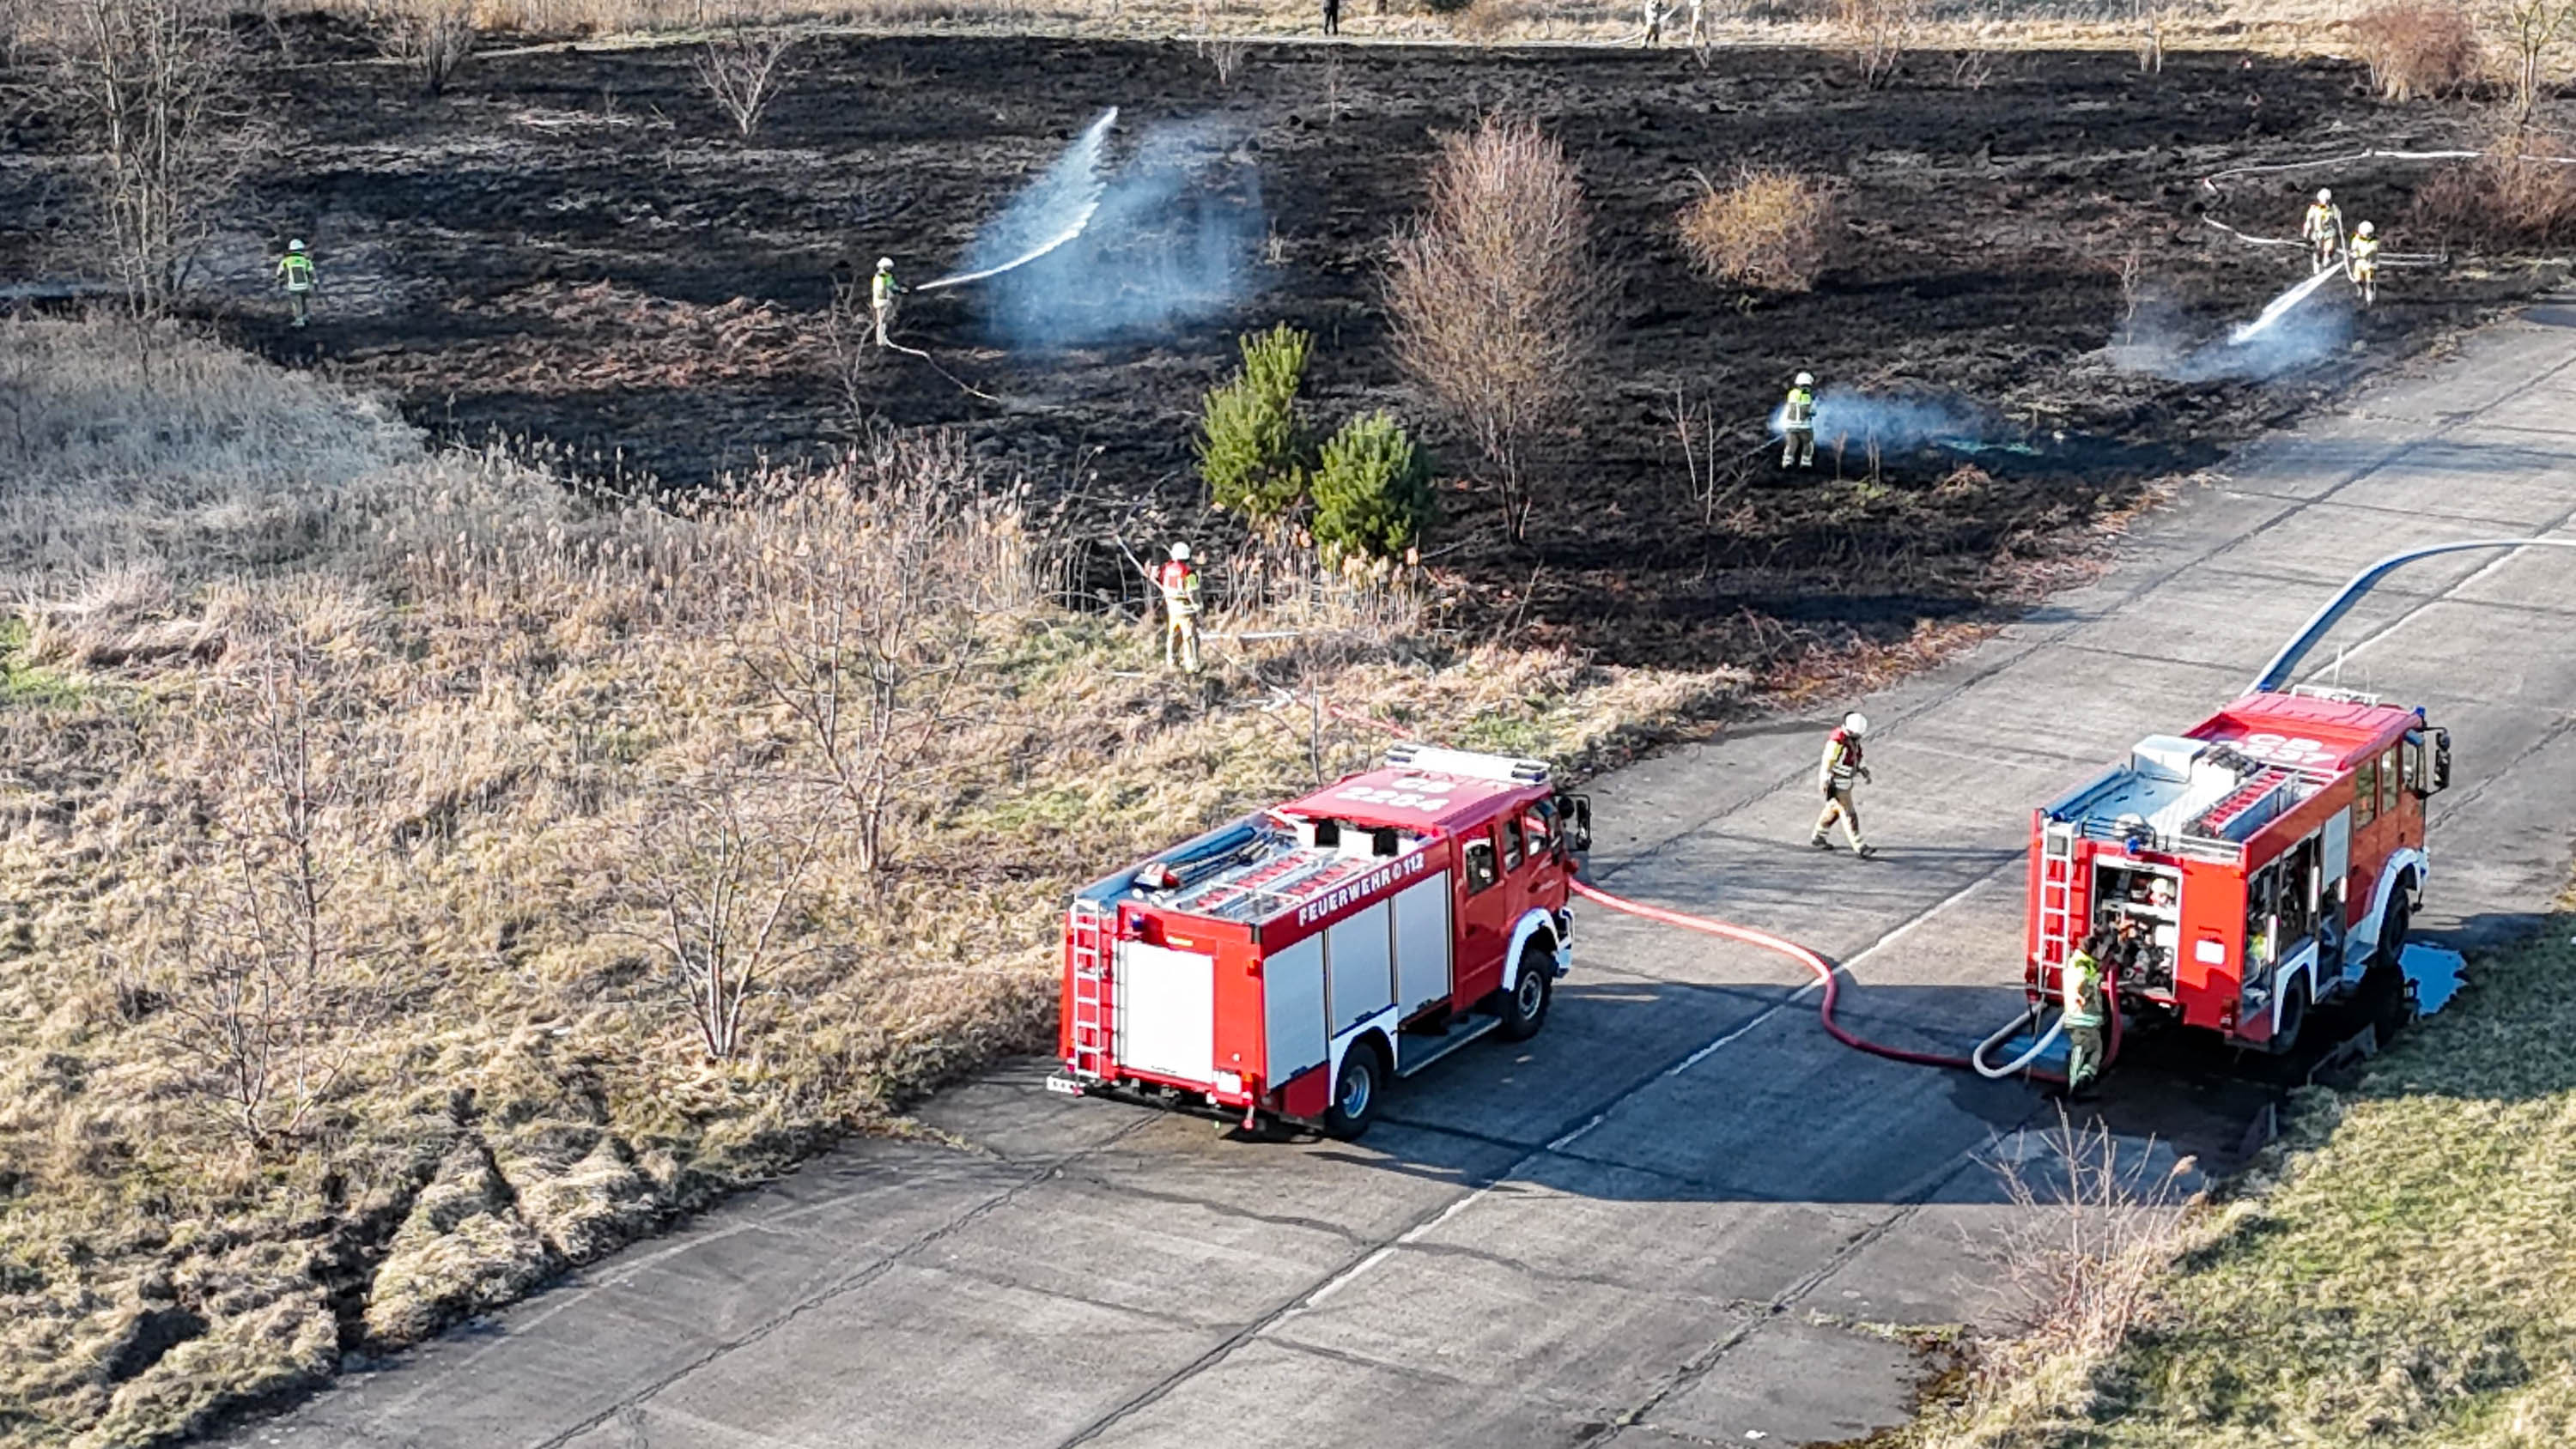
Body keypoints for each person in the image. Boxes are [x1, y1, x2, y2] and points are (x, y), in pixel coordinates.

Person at [1809, 711, 1874, 858]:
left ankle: (1819, 836)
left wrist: (1863, 769)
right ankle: (1859, 846)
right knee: (1849, 814)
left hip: (1846, 781)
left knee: (1833, 810)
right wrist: (1825, 780)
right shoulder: (1837, 743)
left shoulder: (1851, 741)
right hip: (1837, 783)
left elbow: (1857, 756)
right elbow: (1828, 762)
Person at [2061, 931, 2110, 1098]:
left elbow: (2094, 973)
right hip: (2081, 1020)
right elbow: (2084, 983)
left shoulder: (2084, 964)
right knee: (2080, 1051)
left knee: (2096, 1051)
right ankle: (2073, 1088)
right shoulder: (2079, 968)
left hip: (2091, 1021)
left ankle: (2085, 1079)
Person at [1154, 543, 1203, 674]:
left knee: (1174, 636)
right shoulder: (1189, 573)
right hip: (1186, 609)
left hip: (1172, 608)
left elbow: (1158, 578)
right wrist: (1198, 606)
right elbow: (1193, 591)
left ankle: (1172, 663)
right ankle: (1192, 666)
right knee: (1190, 637)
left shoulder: (1167, 569)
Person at [2300, 188, 2343, 275]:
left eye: (2327, 199)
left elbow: (2338, 219)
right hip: (2318, 233)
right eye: (2324, 199)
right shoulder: (2314, 209)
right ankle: (2317, 265)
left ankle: (2326, 262)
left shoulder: (2333, 208)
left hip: (2329, 232)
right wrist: (2306, 234)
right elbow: (2308, 222)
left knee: (2329, 248)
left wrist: (2340, 229)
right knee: (2319, 251)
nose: (2326, 201)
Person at [276, 239, 317, 328]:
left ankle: (299, 320)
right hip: (305, 286)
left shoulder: (286, 261)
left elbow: (279, 273)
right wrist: (315, 282)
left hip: (293, 287)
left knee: (297, 304)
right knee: (304, 301)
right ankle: (306, 317)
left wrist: (281, 280)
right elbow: (312, 272)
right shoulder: (305, 260)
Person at [1781, 372, 1817, 470]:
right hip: (1804, 426)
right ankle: (1806, 462)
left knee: (1791, 444)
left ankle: (1787, 461)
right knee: (1808, 443)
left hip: (1790, 425)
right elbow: (1806, 410)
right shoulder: (1805, 394)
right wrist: (1813, 412)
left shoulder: (1792, 393)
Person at [871, 257, 906, 347]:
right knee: (885, 320)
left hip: (877, 301)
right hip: (885, 301)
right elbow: (892, 286)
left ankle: (880, 339)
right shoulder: (886, 276)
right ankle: (882, 340)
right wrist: (901, 290)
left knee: (880, 320)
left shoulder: (876, 276)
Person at [2347, 220, 2379, 306]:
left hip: (2370, 263)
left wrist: (2360, 254)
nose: (2369, 236)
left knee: (2369, 281)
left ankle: (2370, 295)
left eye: (2370, 234)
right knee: (2357, 279)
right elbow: (2354, 249)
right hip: (2359, 262)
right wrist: (2353, 253)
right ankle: (2360, 289)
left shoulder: (2374, 241)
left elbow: (2371, 250)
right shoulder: (2356, 239)